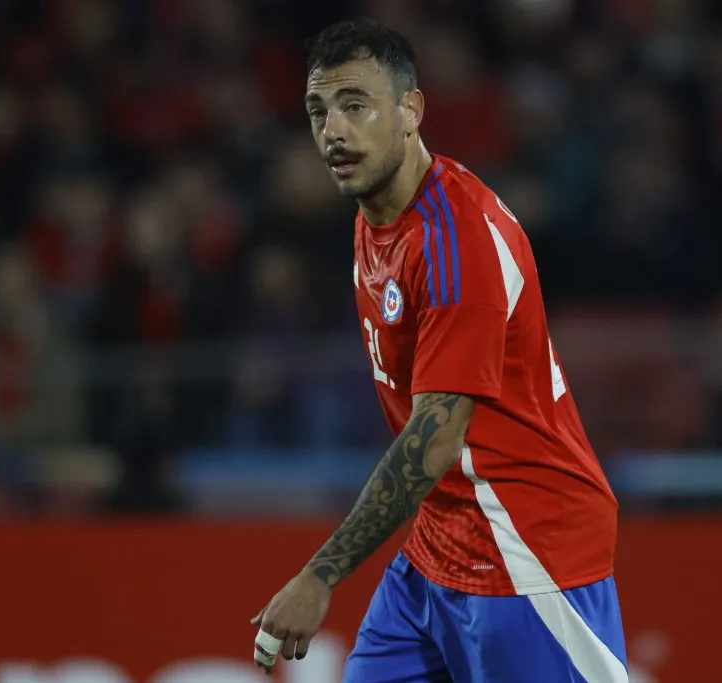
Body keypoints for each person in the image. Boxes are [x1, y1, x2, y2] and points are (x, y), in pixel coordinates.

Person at [250, 18, 628, 682]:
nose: (333, 130)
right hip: (437, 548)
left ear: (410, 111)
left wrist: (320, 573)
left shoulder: (457, 241)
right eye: (318, 110)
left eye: (355, 105)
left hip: (526, 552)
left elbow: (435, 435)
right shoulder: (376, 221)